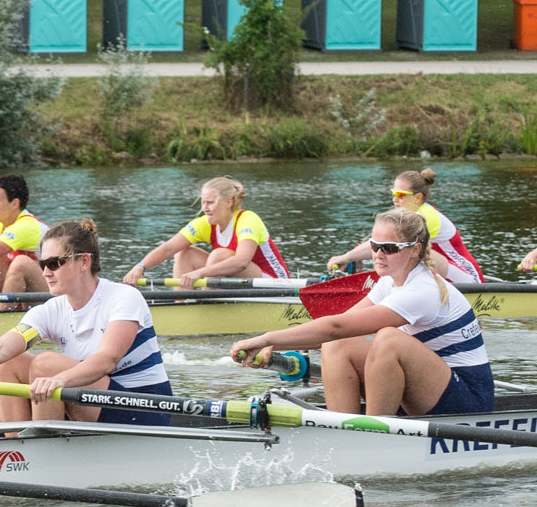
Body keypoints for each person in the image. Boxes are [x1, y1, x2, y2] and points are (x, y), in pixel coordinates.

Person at [230, 208, 494, 417]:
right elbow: (339, 329)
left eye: (388, 248)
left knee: (388, 339)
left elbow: (336, 326)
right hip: (430, 388)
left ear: (415, 249)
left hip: (467, 400)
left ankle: (373, 435)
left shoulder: (422, 289)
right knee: (338, 345)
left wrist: (265, 338)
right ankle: (342, 428)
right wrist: (273, 345)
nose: (378, 254)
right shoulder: (390, 281)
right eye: (374, 245)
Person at [0, 220, 173, 427]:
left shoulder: (124, 297)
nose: (45, 272)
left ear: (84, 261)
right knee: (9, 361)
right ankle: (18, 451)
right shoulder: (51, 310)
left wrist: (59, 380)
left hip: (146, 408)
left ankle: (42, 450)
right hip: (94, 401)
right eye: (42, 264)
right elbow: (0, 348)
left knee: (46, 364)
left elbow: (107, 359)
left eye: (54, 263)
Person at [125, 175, 294, 289]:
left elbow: (241, 261)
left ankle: (205, 300)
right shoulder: (206, 223)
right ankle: (182, 303)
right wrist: (140, 267)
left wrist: (199, 273)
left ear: (228, 202)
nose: (204, 209)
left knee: (219, 255)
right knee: (184, 253)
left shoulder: (248, 219)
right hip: (238, 279)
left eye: (210, 203)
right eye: (203, 202)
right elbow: (168, 248)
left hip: (273, 282)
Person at [329, 169, 481, 282]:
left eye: (400, 195)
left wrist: (346, 257)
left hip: (468, 280)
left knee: (406, 248)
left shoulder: (426, 216)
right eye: (393, 194)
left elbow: (387, 245)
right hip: (445, 275)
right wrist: (349, 258)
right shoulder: (408, 216)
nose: (395, 200)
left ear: (418, 197)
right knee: (391, 245)